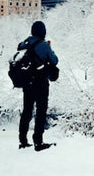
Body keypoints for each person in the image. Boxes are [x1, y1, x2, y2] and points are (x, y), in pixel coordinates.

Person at [17, 21, 58, 151]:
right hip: (40, 83)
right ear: (43, 32)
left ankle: (23, 141)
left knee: (27, 111)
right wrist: (50, 48)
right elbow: (55, 60)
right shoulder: (44, 45)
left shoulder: (26, 43)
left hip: (27, 83)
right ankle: (38, 142)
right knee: (41, 112)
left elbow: (19, 51)